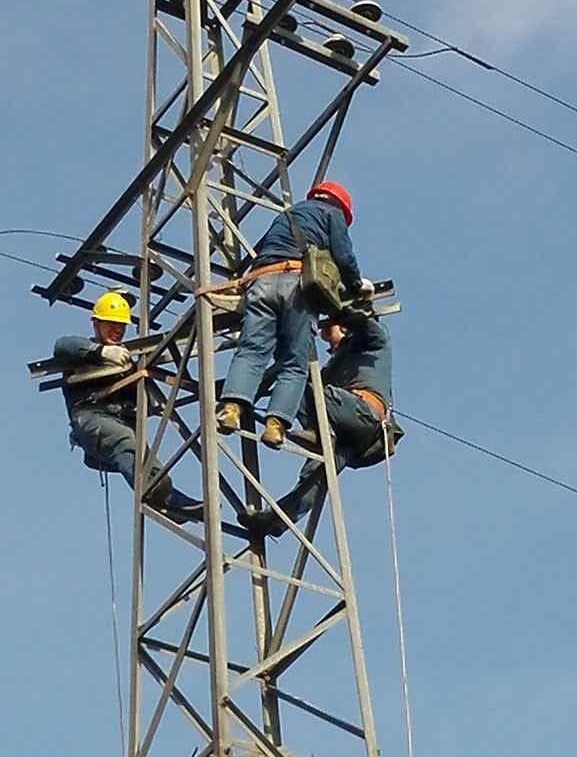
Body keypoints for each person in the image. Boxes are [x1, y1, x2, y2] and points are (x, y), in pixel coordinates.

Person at [216, 181, 373, 449]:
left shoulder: (287, 214)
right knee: (294, 362)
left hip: (262, 282)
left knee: (251, 350)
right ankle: (275, 424)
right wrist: (356, 285)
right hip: (295, 286)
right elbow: (343, 255)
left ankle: (231, 408)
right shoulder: (332, 214)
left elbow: (265, 249)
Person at [237, 309, 392, 537]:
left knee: (295, 381)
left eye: (330, 335)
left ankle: (318, 432)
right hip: (348, 433)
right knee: (315, 477)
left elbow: (363, 323)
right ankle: (277, 521)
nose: (329, 344)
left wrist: (337, 309)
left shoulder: (373, 343)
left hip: (361, 413)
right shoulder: (336, 365)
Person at [53, 291, 203, 524]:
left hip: (122, 421)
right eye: (111, 324)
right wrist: (101, 352)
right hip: (92, 418)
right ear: (96, 323)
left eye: (121, 326)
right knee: (124, 441)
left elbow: (144, 399)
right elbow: (62, 345)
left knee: (145, 458)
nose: (117, 330)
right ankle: (155, 492)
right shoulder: (83, 351)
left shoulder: (126, 359)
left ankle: (170, 501)